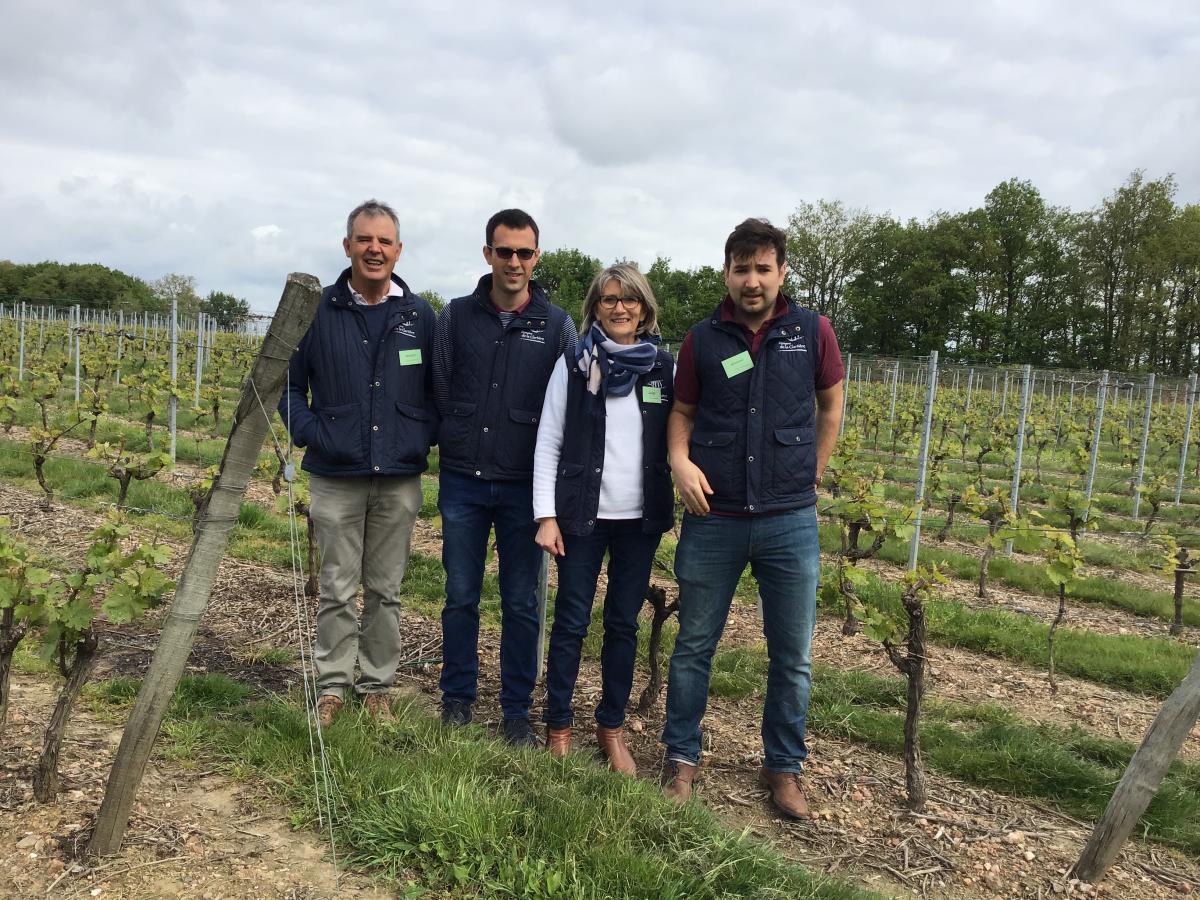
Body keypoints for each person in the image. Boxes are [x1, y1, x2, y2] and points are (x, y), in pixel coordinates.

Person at [659, 218, 844, 818]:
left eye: (764, 268)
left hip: (788, 520)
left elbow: (831, 405)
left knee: (792, 655)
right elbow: (681, 412)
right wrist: (679, 462)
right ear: (727, 273)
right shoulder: (702, 339)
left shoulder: (812, 332)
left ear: (781, 272)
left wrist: (813, 469)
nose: (753, 280)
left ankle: (783, 767)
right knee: (693, 647)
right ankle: (681, 756)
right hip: (715, 517)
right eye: (742, 269)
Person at [280, 199, 437, 726]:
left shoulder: (420, 317)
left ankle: (377, 685)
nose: (374, 249)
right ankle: (331, 686)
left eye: (384, 241)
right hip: (336, 474)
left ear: (398, 250)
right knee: (337, 589)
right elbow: (288, 385)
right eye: (364, 239)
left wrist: (420, 436)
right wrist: (310, 432)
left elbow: (438, 389)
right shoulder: (318, 311)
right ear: (347, 246)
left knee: (387, 590)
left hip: (398, 476)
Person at [432, 209, 576, 746]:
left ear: (536, 258)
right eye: (504, 251)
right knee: (461, 593)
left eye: (524, 253)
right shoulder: (454, 317)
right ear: (487, 253)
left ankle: (516, 709)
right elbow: (441, 385)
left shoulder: (557, 324)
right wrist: (461, 433)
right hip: (463, 481)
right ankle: (457, 699)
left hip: (523, 486)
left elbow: (566, 401)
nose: (514, 262)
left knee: (521, 601)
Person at [532, 264, 674, 774]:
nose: (620, 307)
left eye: (629, 299)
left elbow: (678, 436)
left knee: (622, 624)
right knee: (570, 622)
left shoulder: (661, 368)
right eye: (610, 299)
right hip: (579, 516)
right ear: (594, 306)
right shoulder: (573, 364)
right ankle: (560, 724)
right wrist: (546, 515)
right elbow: (548, 438)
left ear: (644, 308)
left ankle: (610, 728)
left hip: (639, 519)